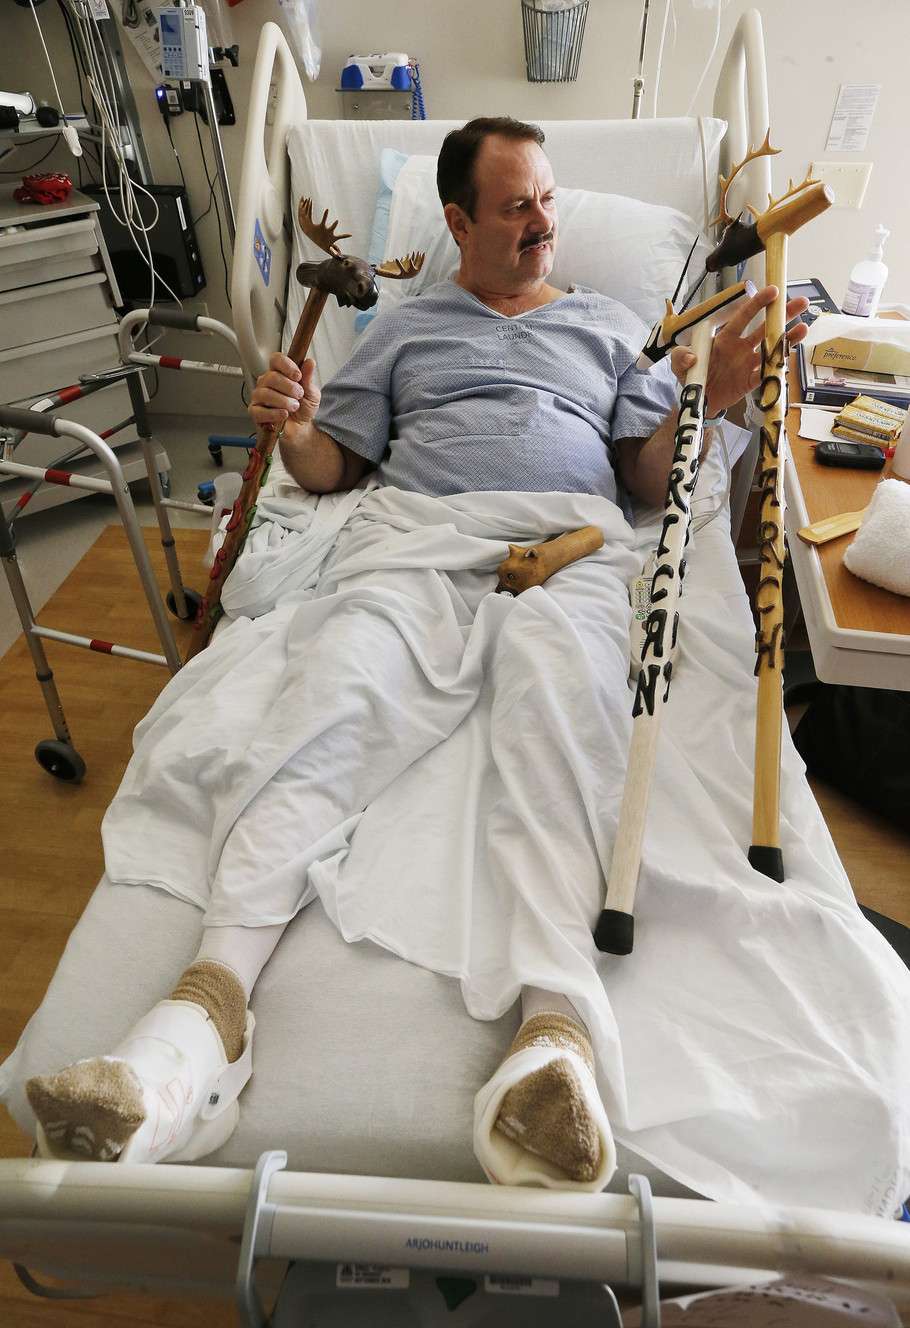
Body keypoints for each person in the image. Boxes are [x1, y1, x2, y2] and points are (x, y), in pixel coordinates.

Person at [26, 118, 811, 1188]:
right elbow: (333, 463)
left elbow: (642, 478)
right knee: (329, 703)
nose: (544, 223)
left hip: (567, 543)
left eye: (547, 199)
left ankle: (553, 1039)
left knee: (559, 723)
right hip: (415, 540)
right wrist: (294, 420)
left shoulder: (607, 326)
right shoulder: (405, 327)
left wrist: (705, 398)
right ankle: (199, 1023)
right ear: (457, 222)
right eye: (517, 206)